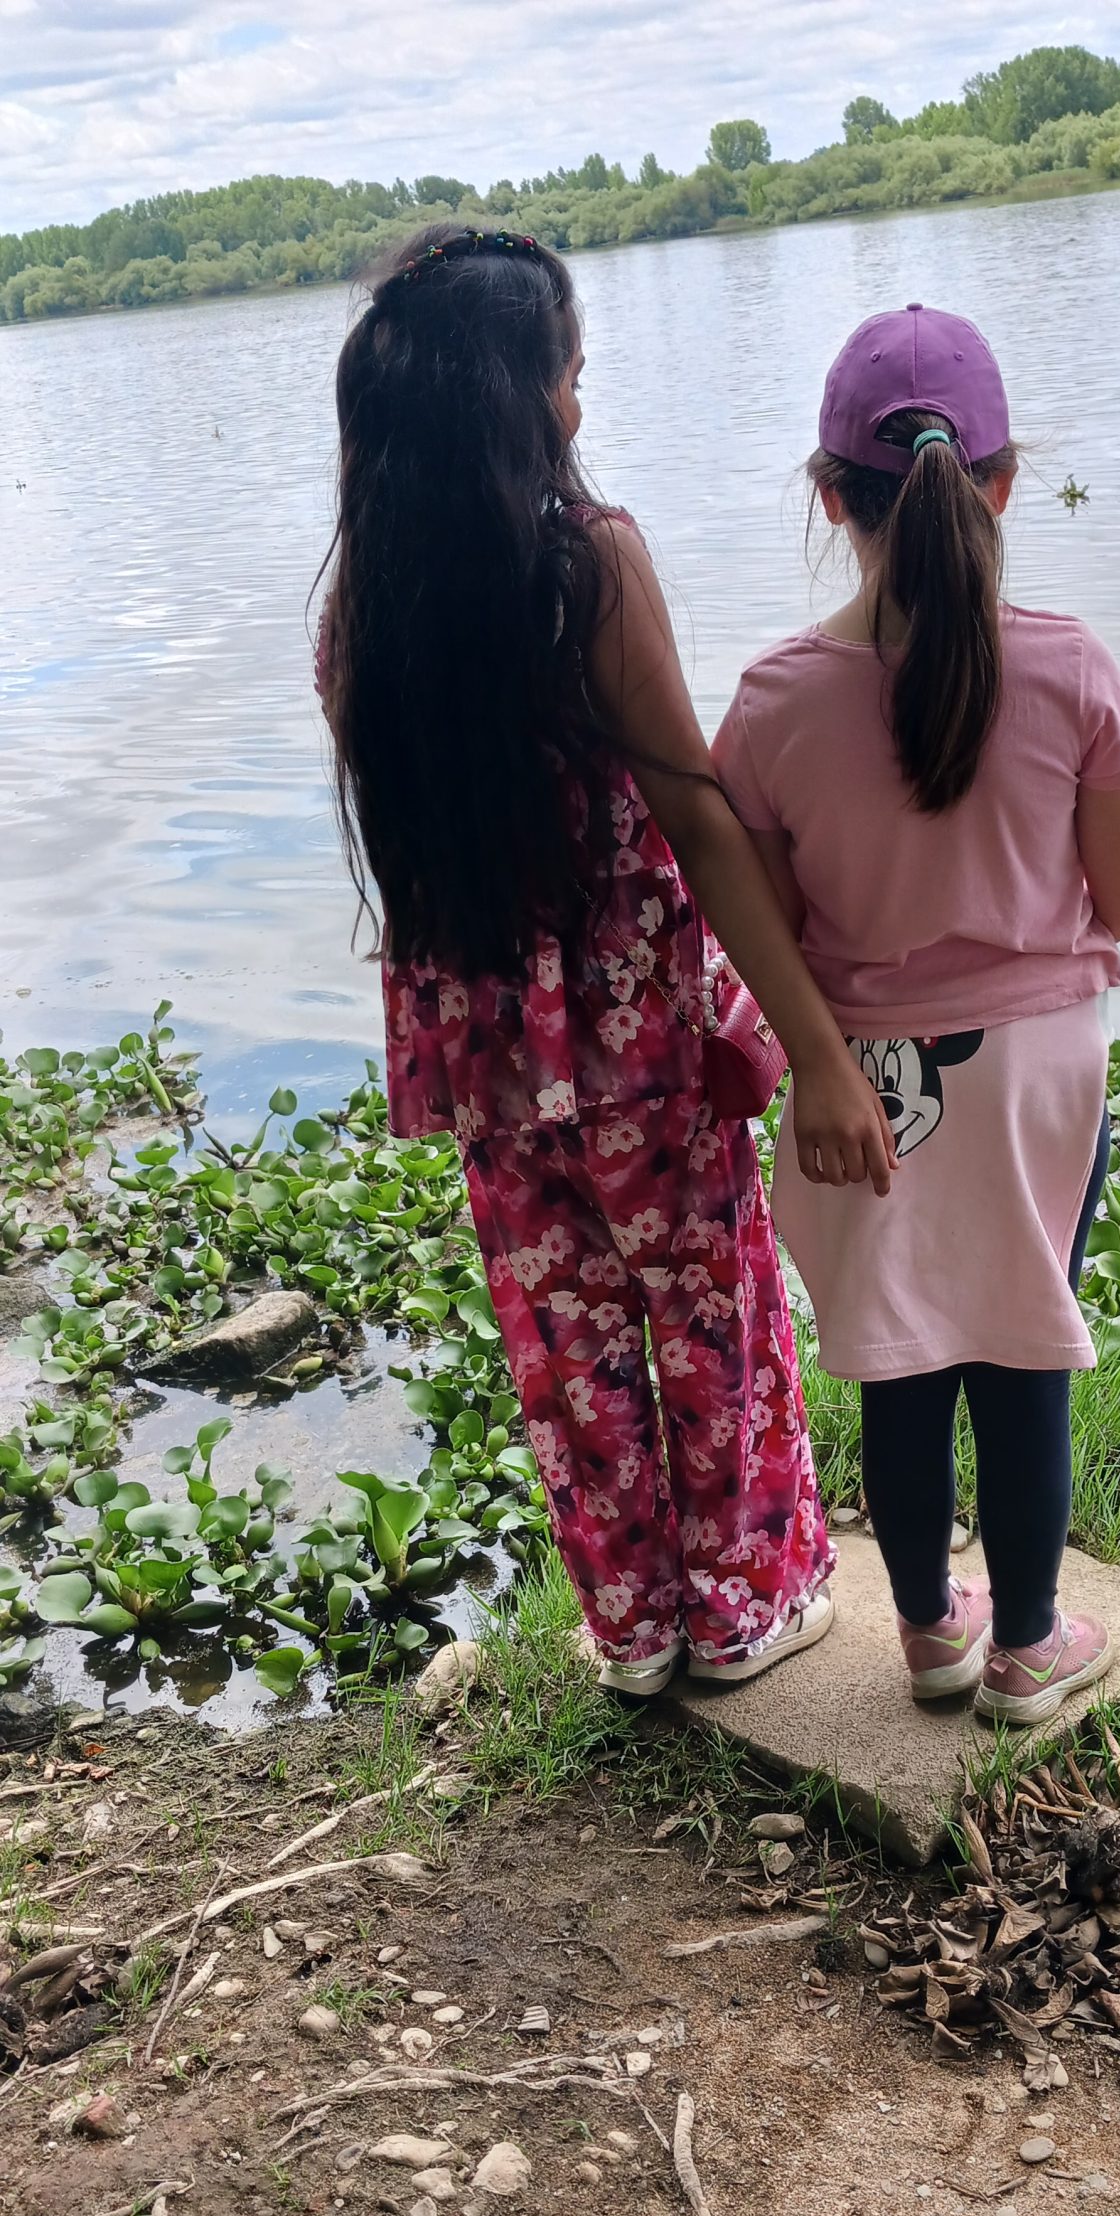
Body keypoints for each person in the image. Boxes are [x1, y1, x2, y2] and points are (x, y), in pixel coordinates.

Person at [316, 225, 896, 1696]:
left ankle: (634, 1628)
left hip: (487, 1059)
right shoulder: (589, 565)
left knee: (564, 1337)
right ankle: (745, 1607)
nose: (580, 401)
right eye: (570, 374)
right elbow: (695, 817)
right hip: (637, 1043)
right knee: (709, 1314)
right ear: (517, 399)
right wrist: (819, 1049)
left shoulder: (359, 613)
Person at [713, 304, 1120, 1726]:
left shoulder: (772, 704)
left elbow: (766, 923)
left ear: (828, 499)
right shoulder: (1072, 667)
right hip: (1037, 1078)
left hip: (861, 1081)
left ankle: (929, 1637)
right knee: (1026, 1347)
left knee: (896, 1359)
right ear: (1003, 486)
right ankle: (1028, 1645)